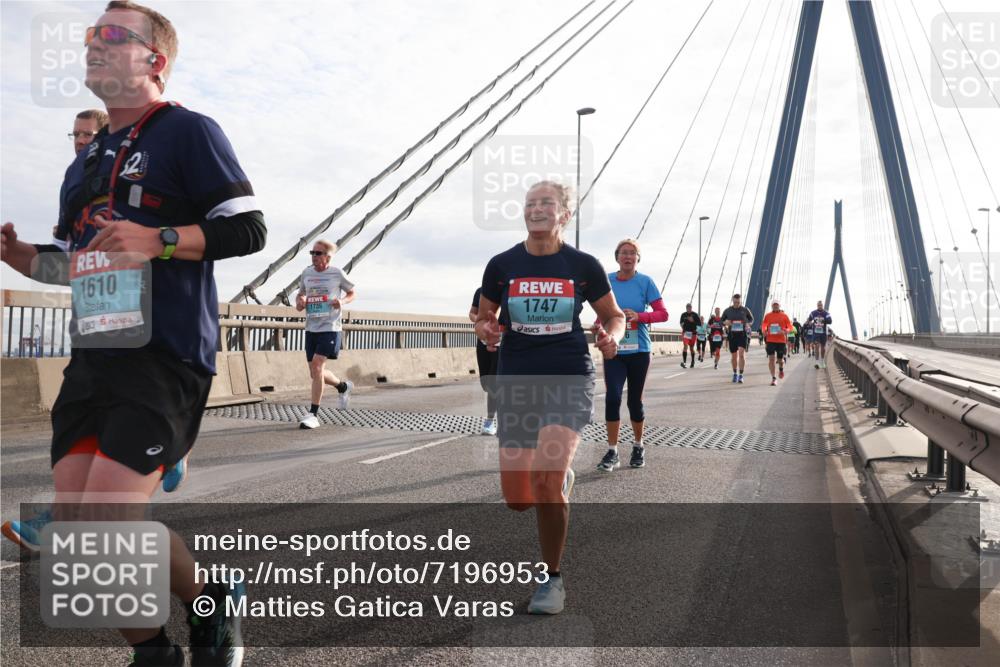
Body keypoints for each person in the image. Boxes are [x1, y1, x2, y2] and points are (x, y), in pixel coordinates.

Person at [1, 3, 266, 664]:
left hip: (164, 354)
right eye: (92, 35)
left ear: (155, 61)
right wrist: (24, 258)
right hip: (93, 357)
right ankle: (159, 646)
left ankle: (206, 606)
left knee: (111, 525)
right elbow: (74, 262)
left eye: (113, 36)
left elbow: (249, 227)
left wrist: (162, 239)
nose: (94, 44)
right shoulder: (81, 168)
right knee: (80, 541)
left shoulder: (187, 132)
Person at [476, 180, 624, 615]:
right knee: (519, 499)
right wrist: (485, 329)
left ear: (564, 215)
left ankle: (552, 579)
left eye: (547, 203)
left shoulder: (582, 265)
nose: (537, 209)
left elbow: (613, 316)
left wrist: (611, 338)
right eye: (530, 203)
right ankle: (557, 482)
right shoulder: (502, 265)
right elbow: (484, 318)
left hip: (568, 378)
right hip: (518, 380)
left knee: (542, 481)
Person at [593, 238, 667, 473]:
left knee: (634, 401)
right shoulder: (607, 281)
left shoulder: (645, 282)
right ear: (617, 257)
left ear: (637, 258)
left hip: (639, 350)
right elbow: (601, 313)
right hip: (614, 349)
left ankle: (638, 445)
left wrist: (639, 316)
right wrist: (599, 328)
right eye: (624, 253)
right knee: (612, 397)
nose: (628, 256)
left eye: (632, 253)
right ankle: (612, 451)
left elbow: (663, 314)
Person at [295, 239, 355, 429]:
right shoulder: (307, 273)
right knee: (315, 372)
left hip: (330, 327)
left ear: (328, 257)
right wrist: (300, 301)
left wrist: (342, 301)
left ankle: (313, 414)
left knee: (318, 365)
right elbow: (300, 294)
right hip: (311, 326)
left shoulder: (337, 273)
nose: (314, 257)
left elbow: (352, 293)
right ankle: (343, 387)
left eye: (318, 253)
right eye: (312, 253)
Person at [469, 287, 499, 435]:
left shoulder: (509, 289)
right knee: (486, 383)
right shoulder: (481, 291)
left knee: (493, 383)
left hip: (502, 344)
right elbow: (472, 313)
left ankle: (489, 421)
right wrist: (481, 322)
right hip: (483, 341)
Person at [722, 294, 753, 383]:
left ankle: (741, 375)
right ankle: (735, 373)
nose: (736, 304)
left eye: (738, 302)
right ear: (732, 301)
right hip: (732, 335)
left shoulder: (745, 310)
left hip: (742, 335)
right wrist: (725, 322)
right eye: (735, 302)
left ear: (740, 301)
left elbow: (751, 319)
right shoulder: (728, 311)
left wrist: (748, 324)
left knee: (741, 354)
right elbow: (721, 321)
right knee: (734, 356)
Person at [761, 301, 792, 385]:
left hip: (781, 341)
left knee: (780, 360)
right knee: (771, 359)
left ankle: (781, 369)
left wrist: (786, 331)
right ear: (772, 306)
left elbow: (790, 326)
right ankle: (774, 378)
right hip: (770, 340)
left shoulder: (784, 316)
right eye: (774, 305)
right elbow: (764, 324)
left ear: (779, 306)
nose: (775, 306)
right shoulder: (768, 315)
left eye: (777, 305)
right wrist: (764, 330)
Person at [808, 300, 833, 369]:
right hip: (816, 333)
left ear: (822, 306)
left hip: (823, 333)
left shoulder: (826, 313)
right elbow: (809, 319)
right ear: (817, 306)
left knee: (823, 348)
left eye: (821, 305)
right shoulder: (813, 313)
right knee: (817, 346)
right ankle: (817, 362)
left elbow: (830, 321)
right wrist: (809, 322)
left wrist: (823, 320)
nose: (820, 306)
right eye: (818, 305)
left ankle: (822, 361)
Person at [678, 303, 701, 367]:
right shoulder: (683, 315)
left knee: (691, 348)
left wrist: (693, 321)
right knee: (685, 346)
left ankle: (693, 361)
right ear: (686, 308)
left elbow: (699, 324)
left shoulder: (695, 315)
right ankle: (684, 362)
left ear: (691, 307)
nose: (688, 308)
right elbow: (681, 323)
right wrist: (683, 327)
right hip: (686, 333)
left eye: (689, 307)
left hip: (693, 333)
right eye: (687, 307)